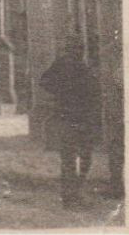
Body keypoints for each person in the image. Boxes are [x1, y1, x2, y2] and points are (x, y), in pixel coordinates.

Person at [39, 41, 100, 208]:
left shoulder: (80, 67)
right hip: (72, 118)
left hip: (77, 118)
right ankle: (72, 196)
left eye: (80, 48)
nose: (77, 51)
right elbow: (44, 81)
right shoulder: (67, 65)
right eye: (75, 48)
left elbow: (44, 82)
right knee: (75, 159)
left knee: (75, 159)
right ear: (68, 50)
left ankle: (72, 195)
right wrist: (62, 93)